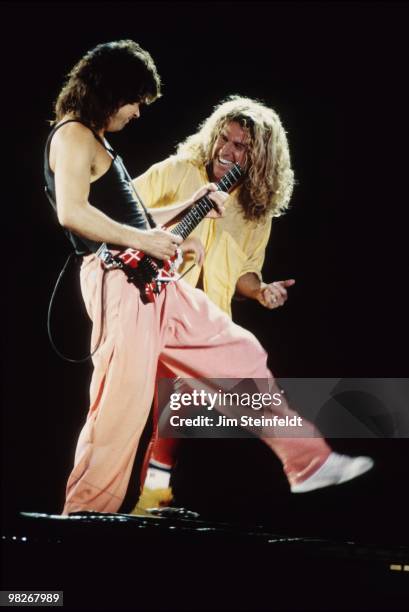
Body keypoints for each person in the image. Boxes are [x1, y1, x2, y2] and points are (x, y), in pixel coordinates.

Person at [45, 40, 373, 515]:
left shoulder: (95, 141)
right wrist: (150, 241)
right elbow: (72, 213)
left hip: (154, 283)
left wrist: (184, 210)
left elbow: (132, 214)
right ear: (113, 89)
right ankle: (81, 521)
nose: (138, 112)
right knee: (121, 412)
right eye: (137, 100)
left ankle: (307, 462)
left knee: (239, 352)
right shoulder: (73, 135)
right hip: (121, 281)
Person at [132, 96, 299, 508]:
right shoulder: (180, 171)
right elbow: (123, 207)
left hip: (202, 323)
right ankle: (131, 503)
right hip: (148, 302)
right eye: (224, 139)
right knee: (140, 414)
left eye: (241, 146)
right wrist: (172, 232)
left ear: (259, 157)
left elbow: (246, 271)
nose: (227, 150)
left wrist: (260, 291)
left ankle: (150, 502)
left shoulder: (256, 211)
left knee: (174, 419)